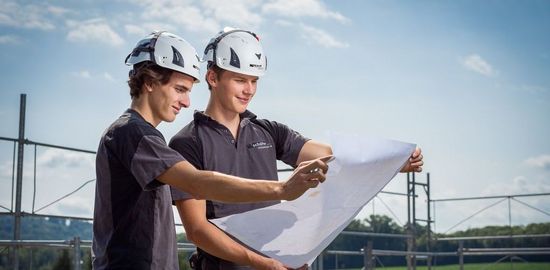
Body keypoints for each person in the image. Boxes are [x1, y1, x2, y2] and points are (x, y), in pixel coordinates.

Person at [169, 27, 424, 270]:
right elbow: (196, 230)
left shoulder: (268, 131)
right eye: (240, 80)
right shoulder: (187, 143)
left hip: (279, 262)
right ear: (213, 77)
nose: (249, 90)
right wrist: (260, 262)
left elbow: (332, 155)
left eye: (254, 81)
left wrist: (390, 162)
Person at [92, 31, 331, 270]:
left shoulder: (143, 135)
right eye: (179, 89)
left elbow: (326, 154)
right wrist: (282, 189)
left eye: (254, 80)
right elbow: (196, 184)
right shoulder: (132, 133)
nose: (186, 102)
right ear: (150, 83)